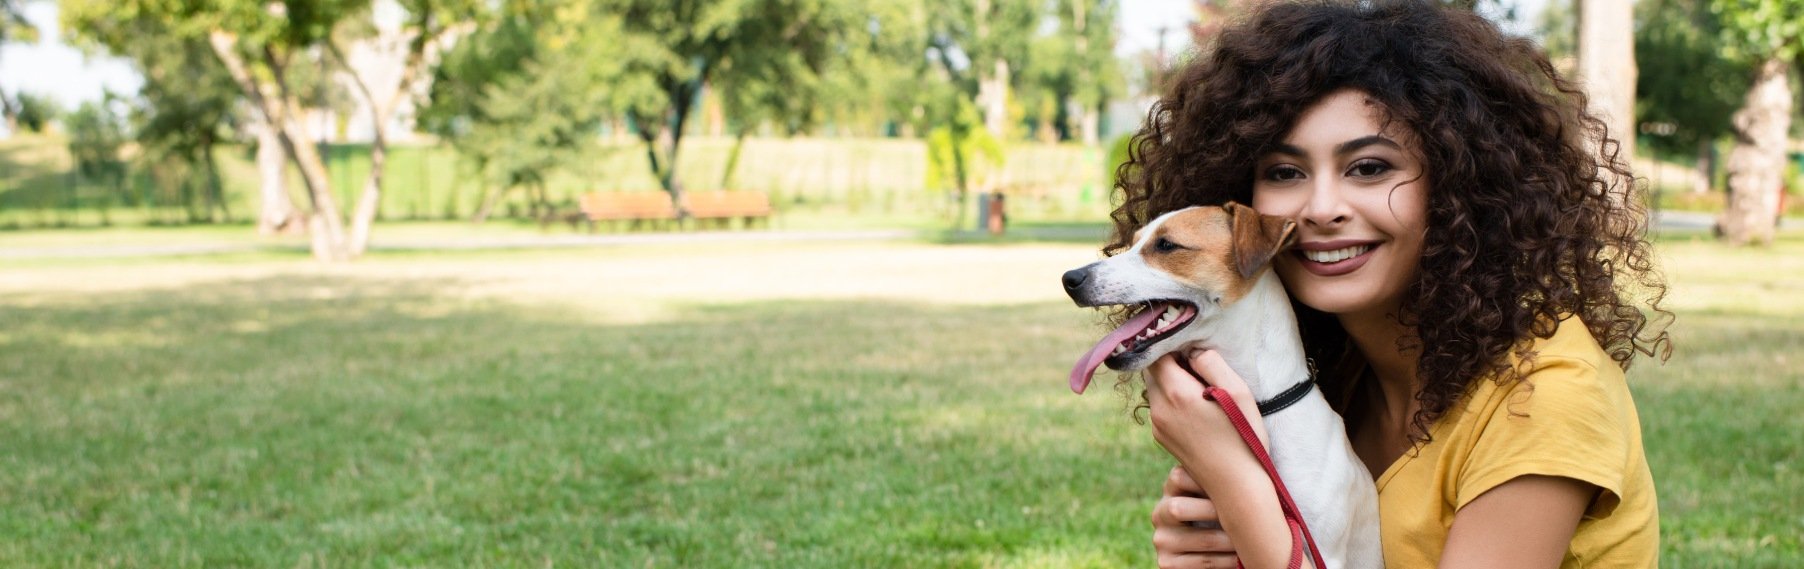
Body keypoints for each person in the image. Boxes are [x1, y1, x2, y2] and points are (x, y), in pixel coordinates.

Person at [1105, 1, 1674, 567]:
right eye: (1284, 173)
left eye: (1369, 168)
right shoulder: (1336, 379)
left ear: (1459, 184)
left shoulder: (1546, 395)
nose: (1321, 209)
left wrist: (1235, 482)